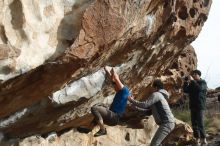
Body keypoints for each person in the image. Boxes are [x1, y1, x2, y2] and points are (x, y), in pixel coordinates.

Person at [128, 79, 175, 146]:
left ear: (156, 87)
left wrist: (132, 100)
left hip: (167, 123)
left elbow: (145, 104)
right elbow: (148, 112)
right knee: (157, 143)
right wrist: (136, 108)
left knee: (154, 144)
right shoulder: (159, 96)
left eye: (152, 88)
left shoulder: (156, 94)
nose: (152, 90)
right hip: (168, 123)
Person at [91, 66, 130, 137]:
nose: (114, 87)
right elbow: (113, 81)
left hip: (114, 117)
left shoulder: (124, 90)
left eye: (116, 86)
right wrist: (107, 71)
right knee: (100, 106)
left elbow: (116, 78)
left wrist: (111, 69)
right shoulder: (120, 91)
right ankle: (89, 128)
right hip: (112, 118)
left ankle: (103, 130)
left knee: (95, 108)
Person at [183, 70, 208, 145]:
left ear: (199, 75)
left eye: (195, 74)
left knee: (200, 123)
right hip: (192, 106)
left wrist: (193, 81)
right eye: (193, 74)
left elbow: (199, 89)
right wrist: (185, 82)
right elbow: (185, 90)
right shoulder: (192, 84)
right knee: (194, 123)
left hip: (200, 106)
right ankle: (197, 138)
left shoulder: (203, 82)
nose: (193, 75)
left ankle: (203, 139)